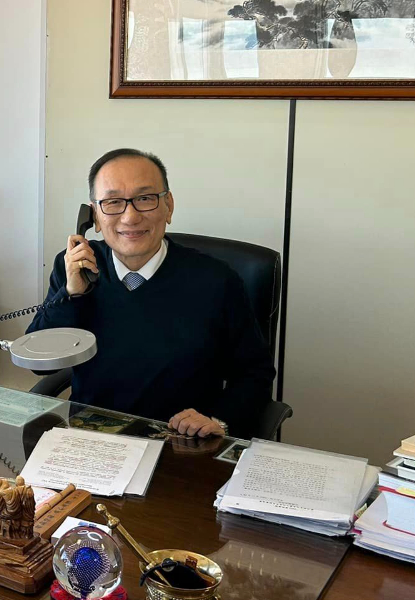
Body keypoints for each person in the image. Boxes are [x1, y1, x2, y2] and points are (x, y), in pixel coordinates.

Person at [28, 148, 274, 439]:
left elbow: (254, 373)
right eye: (113, 202)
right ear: (93, 216)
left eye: (145, 199)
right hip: (93, 438)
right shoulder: (76, 267)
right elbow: (40, 363)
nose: (130, 217)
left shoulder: (217, 280)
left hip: (180, 441)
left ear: (168, 206)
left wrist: (219, 420)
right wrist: (72, 293)